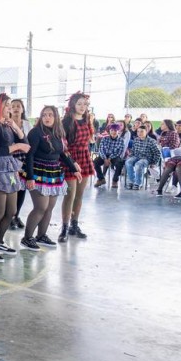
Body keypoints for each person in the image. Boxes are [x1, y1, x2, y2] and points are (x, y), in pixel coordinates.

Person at [20, 106, 81, 251]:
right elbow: (30, 155)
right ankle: (27, 238)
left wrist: (74, 169)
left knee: (49, 208)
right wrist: (30, 177)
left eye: (50, 115)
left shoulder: (58, 132)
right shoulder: (35, 132)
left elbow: (62, 154)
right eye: (44, 115)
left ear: (56, 117)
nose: (47, 118)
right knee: (40, 207)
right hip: (37, 172)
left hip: (53, 173)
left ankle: (41, 235)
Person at [0, 93, 29, 263]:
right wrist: (16, 146)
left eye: (11, 104)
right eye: (7, 104)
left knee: (11, 211)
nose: (10, 107)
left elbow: (26, 143)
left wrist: (16, 127)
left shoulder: (8, 125)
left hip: (10, 170)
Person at [58, 92, 93, 242]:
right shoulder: (66, 122)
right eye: (79, 104)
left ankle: (74, 225)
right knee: (70, 195)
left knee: (79, 195)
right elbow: (62, 146)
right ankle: (64, 228)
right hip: (70, 159)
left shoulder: (87, 120)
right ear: (73, 105)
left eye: (85, 104)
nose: (82, 107)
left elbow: (89, 140)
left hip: (84, 158)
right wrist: (71, 162)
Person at [9, 99, 32, 231]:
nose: (16, 108)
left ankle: (16, 215)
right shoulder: (7, 123)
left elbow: (29, 143)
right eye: (13, 106)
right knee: (13, 188)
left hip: (24, 160)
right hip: (11, 160)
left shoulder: (27, 124)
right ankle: (10, 217)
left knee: (22, 189)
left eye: (18, 106)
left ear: (22, 109)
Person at [93, 124, 125, 188]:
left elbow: (119, 152)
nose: (113, 132)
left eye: (115, 130)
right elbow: (101, 149)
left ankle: (115, 180)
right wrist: (105, 159)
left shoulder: (121, 140)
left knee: (119, 163)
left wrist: (110, 158)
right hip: (104, 155)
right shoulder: (105, 138)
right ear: (109, 131)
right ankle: (101, 179)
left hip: (114, 156)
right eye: (112, 130)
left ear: (118, 131)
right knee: (95, 162)